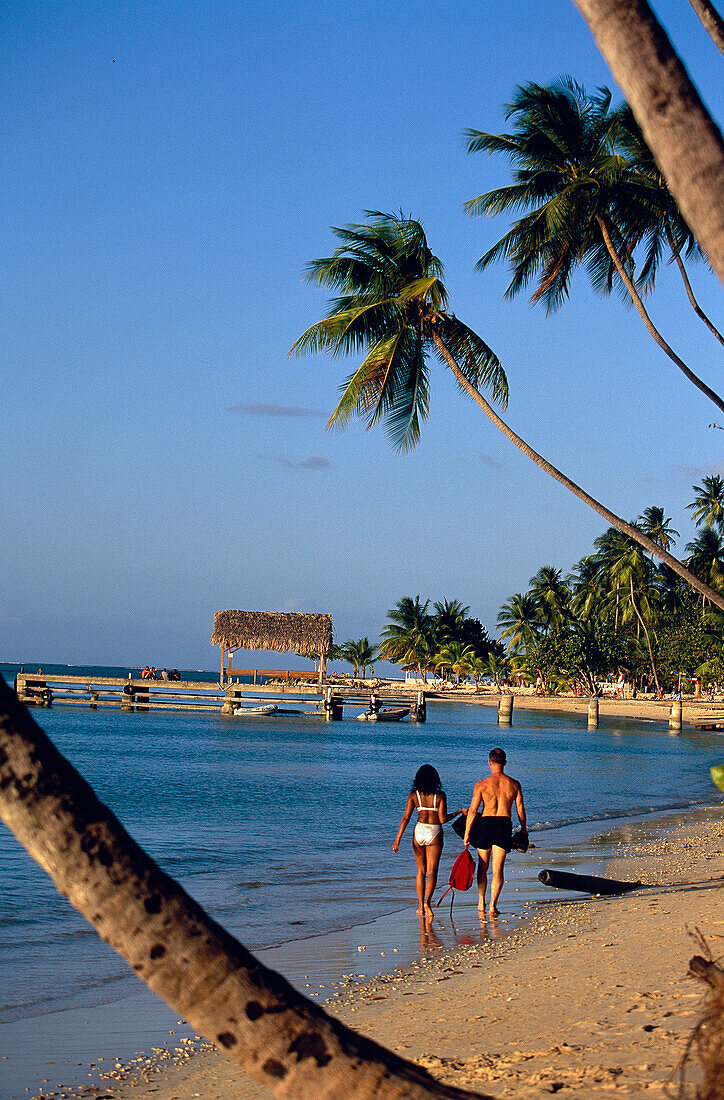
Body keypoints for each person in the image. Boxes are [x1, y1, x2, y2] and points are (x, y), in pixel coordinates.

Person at [392, 764, 463, 920]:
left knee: (420, 871)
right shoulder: (440, 795)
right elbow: (443, 820)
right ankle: (427, 904)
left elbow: (405, 818)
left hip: (419, 830)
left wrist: (397, 840)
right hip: (434, 831)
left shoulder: (413, 795)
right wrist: (458, 812)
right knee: (432, 872)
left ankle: (419, 906)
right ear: (435, 779)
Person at [463, 747, 526, 917]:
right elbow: (520, 808)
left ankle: (481, 902)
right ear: (504, 763)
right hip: (503, 824)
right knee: (498, 869)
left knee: (482, 867)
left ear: (489, 762)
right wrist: (524, 829)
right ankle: (493, 906)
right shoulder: (514, 784)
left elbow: (473, 810)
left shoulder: (482, 785)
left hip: (485, 823)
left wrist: (467, 833)